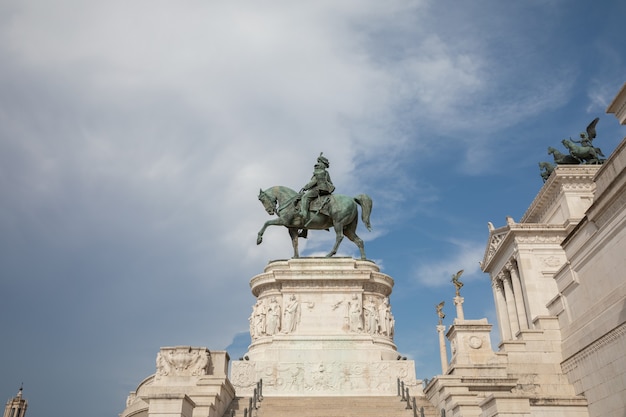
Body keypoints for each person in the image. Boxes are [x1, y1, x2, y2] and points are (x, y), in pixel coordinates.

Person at [299, 153, 335, 218]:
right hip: (325, 189)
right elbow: (330, 183)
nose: (316, 166)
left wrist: (305, 187)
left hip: (318, 189)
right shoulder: (326, 172)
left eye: (318, 162)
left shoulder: (319, 169)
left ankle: (304, 214)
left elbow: (314, 181)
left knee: (305, 197)